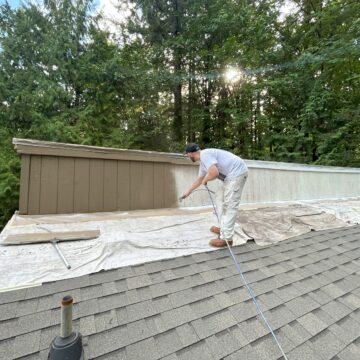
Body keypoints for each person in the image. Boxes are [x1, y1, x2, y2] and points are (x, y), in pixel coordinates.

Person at [182, 143, 248, 248]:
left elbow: (214, 173)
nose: (187, 157)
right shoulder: (203, 162)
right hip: (229, 177)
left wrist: (206, 179)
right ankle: (223, 228)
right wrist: (187, 192)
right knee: (220, 201)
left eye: (187, 155)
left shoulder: (205, 155)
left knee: (229, 205)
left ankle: (227, 239)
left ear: (191, 154)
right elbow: (199, 179)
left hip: (237, 173)